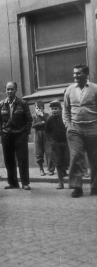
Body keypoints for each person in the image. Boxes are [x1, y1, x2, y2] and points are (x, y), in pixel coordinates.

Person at [63, 64, 97, 198]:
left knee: (95, 159)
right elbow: (65, 110)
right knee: (76, 156)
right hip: (75, 129)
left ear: (86, 75)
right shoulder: (70, 90)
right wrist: (68, 125)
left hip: (93, 128)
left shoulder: (95, 88)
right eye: (74, 74)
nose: (75, 76)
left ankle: (95, 186)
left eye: (78, 73)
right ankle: (77, 186)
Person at [0, 81, 32, 190]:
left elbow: (28, 119)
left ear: (16, 90)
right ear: (5, 90)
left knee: (22, 159)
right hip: (6, 136)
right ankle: (12, 183)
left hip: (20, 135)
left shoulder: (22, 103)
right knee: (9, 160)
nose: (10, 91)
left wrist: (25, 133)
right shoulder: (1, 104)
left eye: (12, 89)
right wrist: (1, 132)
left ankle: (25, 183)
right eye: (8, 89)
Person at [45, 100, 68, 189]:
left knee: (67, 161)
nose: (54, 110)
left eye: (56, 109)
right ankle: (60, 183)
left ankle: (72, 182)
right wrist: (51, 140)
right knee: (58, 164)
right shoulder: (50, 119)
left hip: (66, 142)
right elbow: (47, 131)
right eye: (52, 109)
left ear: (60, 109)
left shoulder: (65, 117)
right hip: (56, 143)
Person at [32, 101, 54, 176]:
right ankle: (41, 169)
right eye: (37, 108)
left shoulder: (47, 115)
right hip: (38, 134)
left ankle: (50, 169)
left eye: (40, 108)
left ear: (43, 108)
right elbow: (33, 125)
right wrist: (41, 123)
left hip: (46, 134)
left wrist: (43, 117)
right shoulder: (34, 116)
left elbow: (49, 123)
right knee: (38, 152)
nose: (38, 110)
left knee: (49, 152)